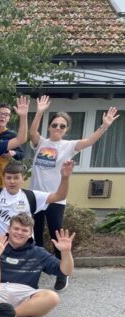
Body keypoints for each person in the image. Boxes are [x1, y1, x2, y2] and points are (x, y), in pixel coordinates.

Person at [29, 95, 119, 290]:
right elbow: (32, 131)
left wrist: (104, 126)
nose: (58, 128)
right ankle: (36, 268)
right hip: (36, 197)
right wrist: (39, 112)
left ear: (66, 129)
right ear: (49, 126)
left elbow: (89, 142)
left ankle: (62, 272)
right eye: (55, 124)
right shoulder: (41, 142)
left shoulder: (68, 146)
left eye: (62, 126)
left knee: (56, 234)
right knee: (35, 235)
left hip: (56, 198)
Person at [0, 157, 74, 243]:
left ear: (23, 179)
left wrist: (65, 178)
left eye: (16, 178)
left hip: (24, 251)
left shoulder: (32, 196)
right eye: (8, 178)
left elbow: (60, 196)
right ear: (3, 179)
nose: (12, 181)